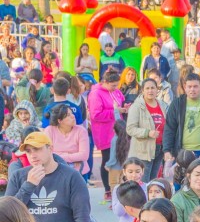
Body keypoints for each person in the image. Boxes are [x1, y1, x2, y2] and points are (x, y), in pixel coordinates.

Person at [5, 132, 91, 222]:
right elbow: (6, 214)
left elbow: (82, 216)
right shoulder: (18, 177)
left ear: (50, 148)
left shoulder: (72, 176)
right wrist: (29, 185)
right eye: (28, 151)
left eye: (37, 149)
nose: (33, 155)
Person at [162, 73, 200, 161]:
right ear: (185, 87)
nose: (192, 89)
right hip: (182, 152)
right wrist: (167, 150)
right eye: (189, 86)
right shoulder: (177, 104)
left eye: (195, 86)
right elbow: (169, 128)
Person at [88, 69, 125, 200]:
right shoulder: (96, 94)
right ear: (105, 82)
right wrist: (114, 111)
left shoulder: (115, 91)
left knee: (119, 158)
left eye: (116, 85)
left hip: (117, 130)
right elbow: (95, 115)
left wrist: (125, 107)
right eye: (113, 85)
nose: (115, 88)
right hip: (104, 132)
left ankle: (118, 186)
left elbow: (121, 100)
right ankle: (108, 189)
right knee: (108, 160)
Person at [126, 78, 168, 183]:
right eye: (147, 88)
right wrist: (147, 132)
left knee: (153, 183)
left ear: (157, 90)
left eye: (153, 88)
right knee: (143, 183)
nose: (150, 91)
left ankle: (151, 200)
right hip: (143, 151)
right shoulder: (136, 107)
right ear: (142, 91)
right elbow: (130, 129)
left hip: (159, 149)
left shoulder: (162, 105)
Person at [43, 105, 90, 176]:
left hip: (79, 172)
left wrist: (60, 156)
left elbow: (84, 155)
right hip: (56, 172)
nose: (73, 116)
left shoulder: (81, 131)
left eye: (72, 113)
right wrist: (73, 157)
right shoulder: (49, 130)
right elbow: (48, 154)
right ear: (60, 120)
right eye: (68, 115)